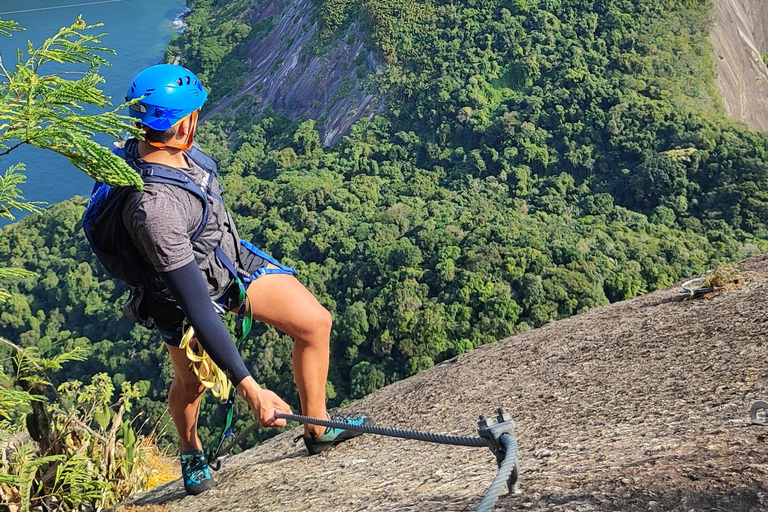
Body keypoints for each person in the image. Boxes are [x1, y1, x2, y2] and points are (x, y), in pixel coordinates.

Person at [120, 64, 372, 495]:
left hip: (227, 261)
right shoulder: (155, 209)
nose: (199, 119)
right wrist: (251, 390)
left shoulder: (170, 150)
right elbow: (197, 306)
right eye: (194, 113)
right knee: (192, 384)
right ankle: (190, 449)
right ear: (182, 124)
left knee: (315, 323)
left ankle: (317, 426)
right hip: (177, 297)